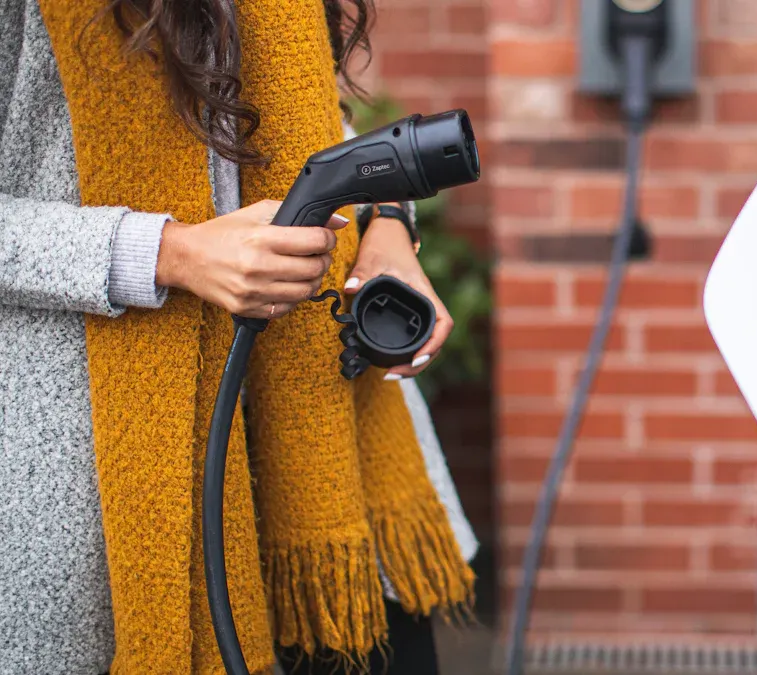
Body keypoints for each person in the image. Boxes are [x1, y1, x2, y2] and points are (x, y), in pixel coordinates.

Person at [0, 1, 477, 673]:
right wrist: (168, 253)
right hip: (108, 484)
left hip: (328, 451)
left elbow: (304, 121)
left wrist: (389, 225)